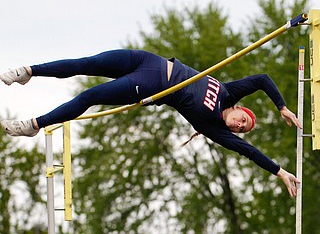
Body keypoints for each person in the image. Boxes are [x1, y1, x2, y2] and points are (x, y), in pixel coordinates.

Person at [0, 49, 301, 197]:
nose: (240, 127)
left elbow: (248, 152)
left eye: (243, 130)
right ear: (240, 109)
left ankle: (35, 124)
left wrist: (280, 171)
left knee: (89, 96)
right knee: (86, 64)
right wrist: (282, 108)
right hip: (149, 60)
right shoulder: (226, 91)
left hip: (152, 84)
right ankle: (28, 71)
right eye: (243, 121)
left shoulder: (213, 126)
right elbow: (262, 79)